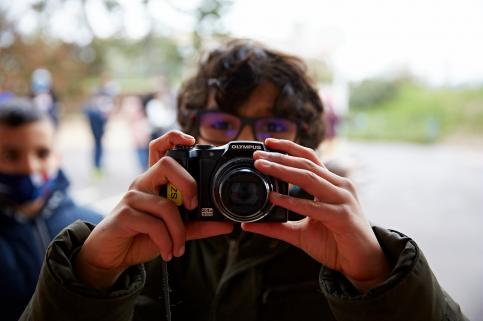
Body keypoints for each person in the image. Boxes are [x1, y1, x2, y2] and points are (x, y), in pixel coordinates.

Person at [20, 39, 467, 321]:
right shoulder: (143, 241)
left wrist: (376, 275)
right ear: (187, 137)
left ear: (308, 145)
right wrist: (93, 272)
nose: (249, 146)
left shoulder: (340, 250)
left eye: (274, 128)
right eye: (222, 124)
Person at [0, 98, 103, 321]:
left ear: (57, 156)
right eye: (11, 155)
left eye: (42, 153)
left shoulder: (94, 227)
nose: (30, 166)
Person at [83, 73, 118, 177]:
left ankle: (98, 166)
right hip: (97, 120)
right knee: (98, 143)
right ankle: (97, 166)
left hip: (100, 121)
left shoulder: (104, 93)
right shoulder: (101, 93)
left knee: (98, 143)